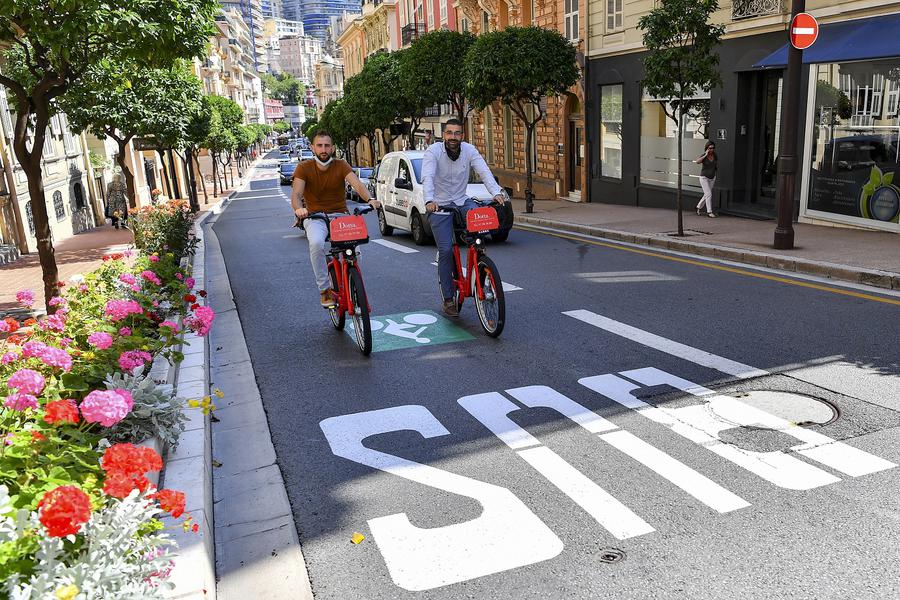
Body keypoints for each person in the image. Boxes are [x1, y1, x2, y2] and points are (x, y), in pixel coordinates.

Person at [422, 118, 505, 317]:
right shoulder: (433, 152)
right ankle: (449, 298)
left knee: (480, 222)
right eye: (449, 133)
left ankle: (479, 258)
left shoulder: (469, 150)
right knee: (446, 250)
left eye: (457, 133)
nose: (453, 137)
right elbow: (428, 176)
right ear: (444, 135)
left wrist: (496, 192)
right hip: (439, 205)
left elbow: (483, 170)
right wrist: (429, 200)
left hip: (461, 200)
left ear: (462, 135)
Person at [291, 130, 380, 307]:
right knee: (316, 243)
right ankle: (324, 289)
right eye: (319, 145)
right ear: (312, 147)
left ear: (332, 148)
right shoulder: (304, 167)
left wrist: (369, 199)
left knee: (355, 251)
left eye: (327, 145)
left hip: (340, 216)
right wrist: (299, 209)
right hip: (315, 217)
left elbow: (357, 184)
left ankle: (353, 281)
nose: (323, 149)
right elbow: (296, 194)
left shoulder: (341, 165)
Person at [695, 141, 718, 218]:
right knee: (709, 194)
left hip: (712, 177)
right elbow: (697, 162)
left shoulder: (715, 155)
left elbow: (715, 165)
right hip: (704, 177)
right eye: (710, 148)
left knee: (707, 195)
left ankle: (698, 207)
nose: (711, 149)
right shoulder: (704, 155)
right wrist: (705, 154)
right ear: (707, 148)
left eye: (713, 148)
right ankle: (709, 212)